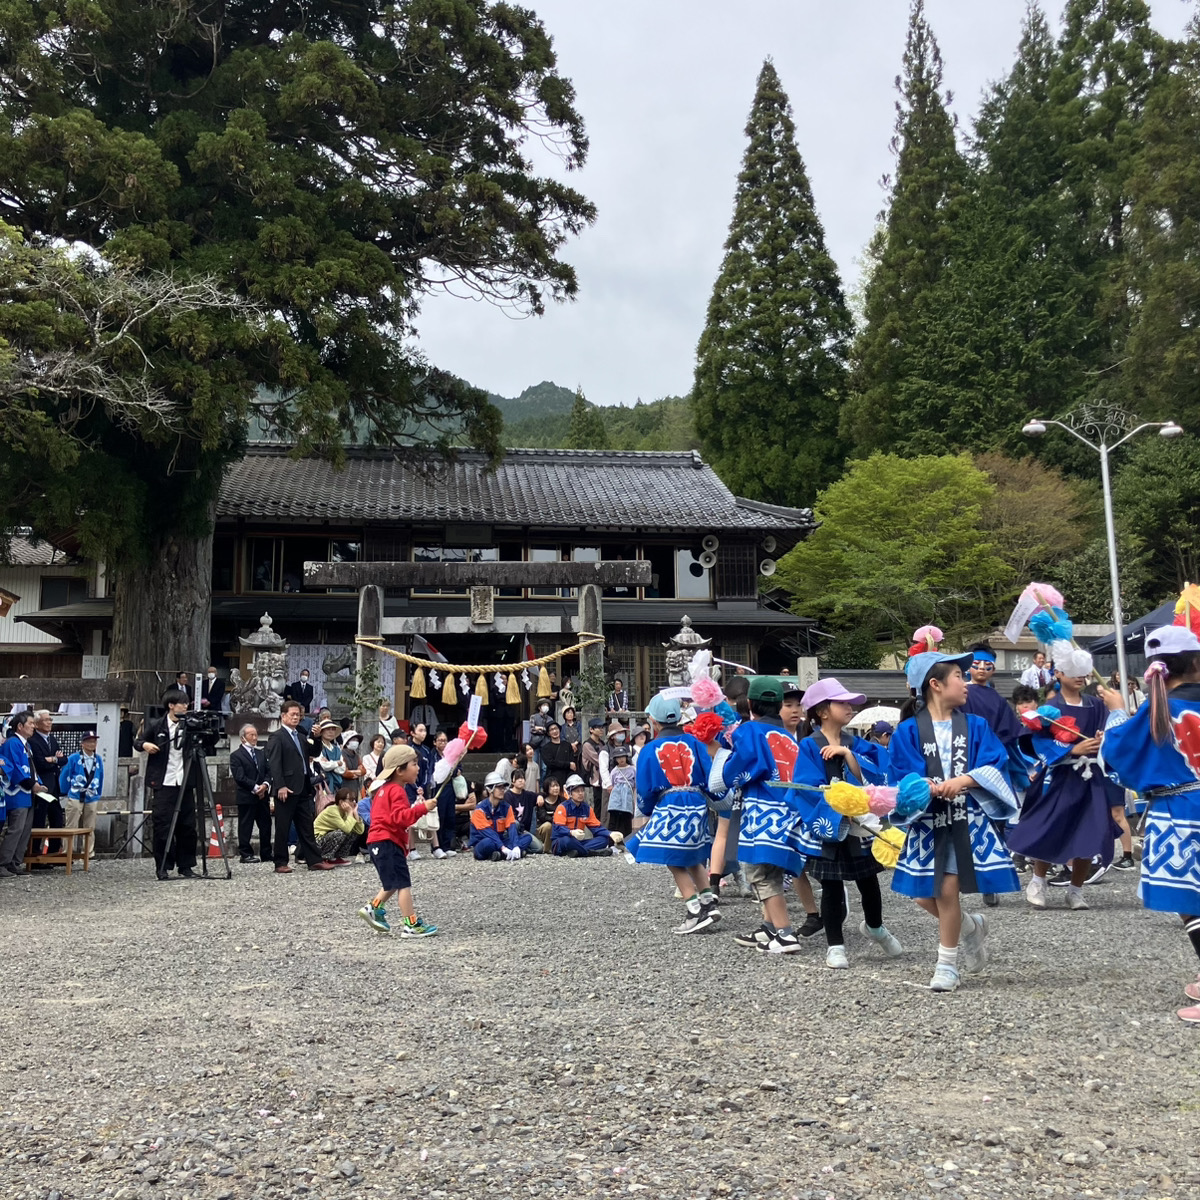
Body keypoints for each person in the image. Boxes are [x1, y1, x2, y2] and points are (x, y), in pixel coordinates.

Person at [888, 652, 1021, 992]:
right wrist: (923, 786)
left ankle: (946, 965)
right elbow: (902, 774)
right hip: (928, 822)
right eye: (959, 676)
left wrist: (964, 780)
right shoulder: (908, 731)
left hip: (965, 819)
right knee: (922, 895)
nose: (966, 683)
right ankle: (971, 928)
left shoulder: (976, 725)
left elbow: (995, 762)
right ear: (935, 684)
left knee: (946, 889)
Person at [1097, 624, 1200, 1023]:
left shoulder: (1156, 710)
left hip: (1181, 812)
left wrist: (1117, 712)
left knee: (1190, 901)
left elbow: (1118, 752)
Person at [711, 677, 847, 954]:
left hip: (763, 811)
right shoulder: (788, 736)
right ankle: (770, 927)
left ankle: (784, 934)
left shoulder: (749, 730)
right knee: (773, 872)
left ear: (750, 704)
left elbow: (736, 771)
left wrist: (723, 765)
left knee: (761, 875)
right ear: (778, 706)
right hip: (790, 812)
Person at [1007, 644, 1123, 911]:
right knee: (1052, 826)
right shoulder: (1051, 707)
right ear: (1058, 673)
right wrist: (1071, 749)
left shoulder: (1096, 704)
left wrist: (1103, 739)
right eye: (1073, 671)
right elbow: (1037, 740)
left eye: (1083, 672)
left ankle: (1076, 889)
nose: (1080, 677)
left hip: (1091, 776)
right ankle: (1038, 880)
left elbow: (1111, 732)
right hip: (1061, 776)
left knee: (1090, 831)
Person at [797, 680, 902, 968]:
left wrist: (848, 755)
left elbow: (880, 773)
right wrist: (836, 806)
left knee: (869, 881)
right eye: (842, 703)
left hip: (859, 824)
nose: (849, 707)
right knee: (831, 885)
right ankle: (835, 945)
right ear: (822, 711)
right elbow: (805, 788)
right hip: (830, 825)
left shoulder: (857, 744)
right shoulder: (809, 745)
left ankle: (876, 927)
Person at [629, 693, 716, 931]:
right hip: (697, 802)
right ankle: (708, 901)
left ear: (653, 721)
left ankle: (694, 908)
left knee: (672, 857)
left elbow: (644, 788)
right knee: (693, 855)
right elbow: (710, 775)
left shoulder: (649, 749)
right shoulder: (695, 743)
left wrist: (646, 807)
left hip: (670, 804)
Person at [357, 745, 438, 937]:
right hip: (387, 842)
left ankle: (373, 907)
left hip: (378, 842)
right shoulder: (397, 791)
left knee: (392, 881)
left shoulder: (384, 790)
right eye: (414, 764)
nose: (418, 768)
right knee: (403, 884)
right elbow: (401, 818)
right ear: (400, 770)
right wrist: (423, 808)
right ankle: (411, 924)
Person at [265, 699, 336, 874]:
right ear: (283, 716)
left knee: (307, 825)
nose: (296, 717)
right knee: (283, 826)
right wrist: (280, 785)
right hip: (287, 788)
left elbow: (314, 753)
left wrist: (317, 738)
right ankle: (280, 861)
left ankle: (314, 860)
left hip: (303, 786)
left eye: (298, 715)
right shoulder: (277, 737)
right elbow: (275, 763)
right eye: (293, 714)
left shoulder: (301, 736)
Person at [143, 689, 200, 881]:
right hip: (164, 782)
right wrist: (145, 745)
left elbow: (209, 741)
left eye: (186, 703)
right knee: (162, 825)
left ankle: (186, 865)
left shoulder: (190, 725)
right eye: (182, 703)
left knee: (188, 825)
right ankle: (163, 866)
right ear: (171, 705)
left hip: (184, 780)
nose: (185, 706)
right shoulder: (156, 725)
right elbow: (139, 741)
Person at [0, 711, 37, 877]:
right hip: (16, 792)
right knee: (16, 829)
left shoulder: (26, 745)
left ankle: (15, 862)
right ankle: (4, 863)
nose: (33, 726)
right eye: (31, 723)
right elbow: (14, 768)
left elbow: (31, 768)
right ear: (20, 726)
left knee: (24, 829)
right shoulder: (12, 743)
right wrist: (31, 783)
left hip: (27, 792)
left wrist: (38, 783)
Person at [229, 722, 272, 864]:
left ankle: (266, 852)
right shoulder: (236, 755)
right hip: (247, 795)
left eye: (256, 735)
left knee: (265, 825)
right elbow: (239, 777)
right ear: (243, 737)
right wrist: (255, 788)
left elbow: (268, 771)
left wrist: (265, 785)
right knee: (245, 825)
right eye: (251, 735)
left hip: (263, 795)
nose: (254, 737)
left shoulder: (261, 753)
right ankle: (245, 853)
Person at [471, 771, 537, 860]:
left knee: (527, 838)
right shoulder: (480, 809)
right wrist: (502, 847)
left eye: (503, 787)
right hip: (484, 842)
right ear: (490, 789)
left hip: (500, 840)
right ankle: (506, 853)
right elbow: (488, 833)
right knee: (488, 842)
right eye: (499, 787)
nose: (503, 790)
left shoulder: (506, 807)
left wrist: (515, 846)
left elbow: (512, 828)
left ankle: (500, 854)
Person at [59, 729, 103, 854]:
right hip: (75, 794)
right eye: (88, 741)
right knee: (71, 823)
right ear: (82, 743)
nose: (91, 744)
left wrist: (98, 792)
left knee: (90, 825)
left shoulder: (98, 759)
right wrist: (64, 790)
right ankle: (68, 851)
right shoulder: (74, 758)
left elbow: (101, 776)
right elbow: (65, 775)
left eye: (94, 741)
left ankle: (88, 851)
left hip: (92, 795)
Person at [29, 709, 66, 860]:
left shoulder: (52, 739)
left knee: (57, 818)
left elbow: (63, 759)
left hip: (54, 785)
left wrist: (53, 759)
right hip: (41, 785)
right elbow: (40, 763)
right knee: (39, 819)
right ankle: (34, 855)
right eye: (46, 720)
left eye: (50, 719)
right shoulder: (33, 740)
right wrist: (53, 760)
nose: (49, 722)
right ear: (37, 723)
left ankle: (54, 854)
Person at [552, 773, 615, 859]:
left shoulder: (587, 809)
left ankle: (578, 852)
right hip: (561, 841)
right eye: (577, 791)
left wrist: (610, 833)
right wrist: (571, 832)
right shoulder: (562, 807)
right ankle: (590, 852)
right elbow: (558, 828)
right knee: (567, 840)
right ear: (570, 793)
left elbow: (596, 827)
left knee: (604, 840)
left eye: (582, 790)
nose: (581, 793)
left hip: (578, 842)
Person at [314, 785, 367, 863]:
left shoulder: (345, 811)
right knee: (340, 833)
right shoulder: (332, 810)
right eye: (351, 800)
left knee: (352, 833)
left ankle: (338, 858)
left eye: (354, 799)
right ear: (341, 802)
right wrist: (350, 812)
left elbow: (360, 831)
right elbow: (346, 829)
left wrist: (355, 814)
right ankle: (325, 858)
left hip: (326, 837)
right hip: (317, 840)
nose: (354, 802)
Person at [605, 744, 636, 838]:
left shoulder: (633, 769)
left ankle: (626, 840)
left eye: (622, 757)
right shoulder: (614, 770)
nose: (621, 759)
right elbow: (612, 783)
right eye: (618, 758)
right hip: (616, 796)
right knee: (614, 819)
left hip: (627, 796)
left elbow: (636, 783)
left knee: (626, 819)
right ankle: (612, 840)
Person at [313, 719, 346, 801]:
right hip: (324, 783)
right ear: (321, 731)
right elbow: (323, 765)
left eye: (333, 729)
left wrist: (330, 764)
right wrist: (337, 763)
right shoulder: (317, 747)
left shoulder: (337, 749)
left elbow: (343, 769)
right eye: (328, 729)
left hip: (337, 783)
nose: (331, 732)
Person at [580, 717, 606, 817]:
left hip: (603, 778)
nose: (601, 730)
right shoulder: (587, 745)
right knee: (598, 806)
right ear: (591, 729)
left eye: (602, 727)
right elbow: (599, 761)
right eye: (598, 727)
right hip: (595, 780)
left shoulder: (602, 743)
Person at [540, 722, 576, 790]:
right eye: (551, 730)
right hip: (553, 780)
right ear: (548, 733)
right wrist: (568, 764)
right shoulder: (545, 748)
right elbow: (551, 763)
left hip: (567, 779)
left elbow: (572, 762)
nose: (554, 731)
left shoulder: (567, 745)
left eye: (556, 728)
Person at [535, 776, 562, 850]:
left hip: (558, 827)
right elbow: (542, 816)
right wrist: (555, 820)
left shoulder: (562, 801)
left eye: (557, 786)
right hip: (543, 828)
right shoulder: (542, 801)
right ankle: (547, 849)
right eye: (553, 786)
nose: (556, 788)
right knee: (548, 825)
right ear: (547, 788)